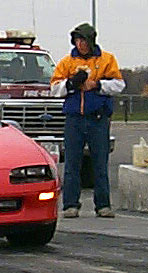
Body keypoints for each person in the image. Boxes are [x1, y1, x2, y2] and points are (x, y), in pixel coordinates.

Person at [50, 23, 125, 218]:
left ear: (91, 40)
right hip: (74, 120)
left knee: (100, 163)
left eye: (83, 40)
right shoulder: (67, 62)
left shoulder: (107, 60)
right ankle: (70, 205)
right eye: (77, 40)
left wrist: (97, 84)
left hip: (97, 119)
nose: (80, 44)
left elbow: (118, 85)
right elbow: (55, 88)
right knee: (72, 164)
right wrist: (72, 83)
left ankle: (103, 205)